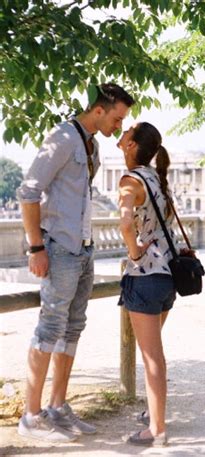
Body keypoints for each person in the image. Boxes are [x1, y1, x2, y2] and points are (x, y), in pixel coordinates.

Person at [17, 83, 135, 442]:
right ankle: (31, 415)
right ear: (99, 109)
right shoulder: (63, 137)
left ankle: (57, 407)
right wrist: (36, 247)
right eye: (117, 118)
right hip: (58, 249)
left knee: (72, 329)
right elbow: (29, 191)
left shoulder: (92, 144)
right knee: (50, 329)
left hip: (83, 249)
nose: (118, 126)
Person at [117, 122, 190, 447]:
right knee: (154, 352)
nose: (121, 134)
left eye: (126, 132)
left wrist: (133, 252)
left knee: (151, 357)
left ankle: (156, 431)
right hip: (168, 277)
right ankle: (153, 412)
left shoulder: (130, 181)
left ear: (132, 145)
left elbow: (125, 222)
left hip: (144, 277)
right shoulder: (157, 180)